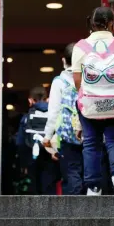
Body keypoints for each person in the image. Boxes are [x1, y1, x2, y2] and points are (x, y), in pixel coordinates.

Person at [71, 6, 114, 195]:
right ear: (113, 24)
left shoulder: (80, 48)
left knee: (91, 142)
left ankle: (93, 186)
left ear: (92, 24)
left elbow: (76, 82)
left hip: (90, 106)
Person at [43, 43, 84, 195]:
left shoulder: (59, 82)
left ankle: (74, 211)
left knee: (71, 171)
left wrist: (47, 137)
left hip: (67, 136)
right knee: (88, 172)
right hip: (89, 133)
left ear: (63, 61)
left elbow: (53, 113)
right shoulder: (89, 79)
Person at [16, 87, 60, 194]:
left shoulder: (26, 118)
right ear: (48, 99)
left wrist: (23, 163)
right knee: (49, 186)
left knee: (34, 187)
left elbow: (20, 143)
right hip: (50, 157)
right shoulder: (55, 116)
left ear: (30, 100)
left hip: (32, 157)